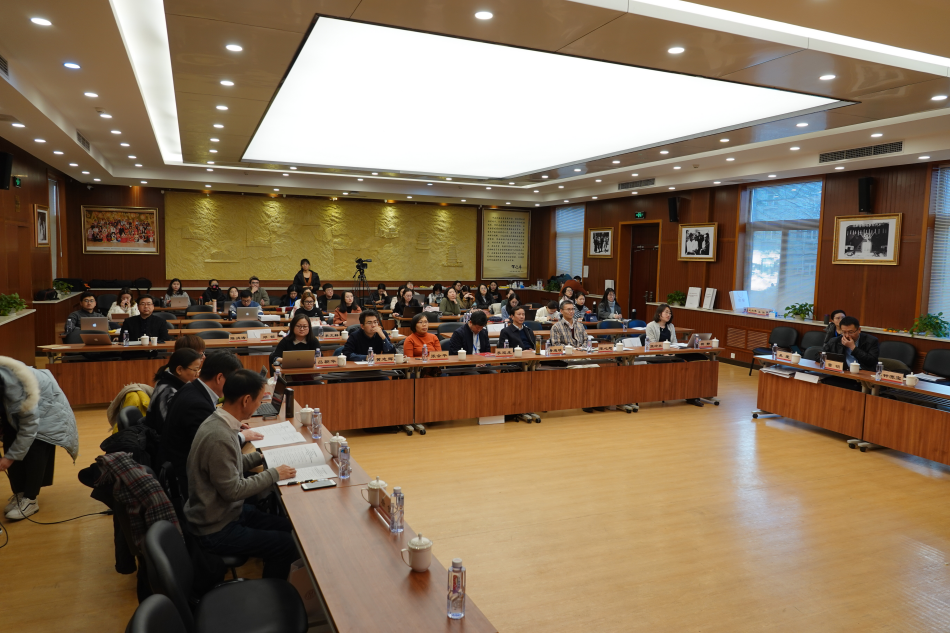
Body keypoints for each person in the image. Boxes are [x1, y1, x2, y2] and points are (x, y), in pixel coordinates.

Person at [184, 369, 298, 579]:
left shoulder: (220, 421)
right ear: (246, 400)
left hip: (226, 513)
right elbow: (233, 491)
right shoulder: (220, 437)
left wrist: (261, 457)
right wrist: (274, 473)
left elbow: (230, 466)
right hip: (215, 528)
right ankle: (272, 593)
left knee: (292, 526)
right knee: (286, 544)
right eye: (259, 400)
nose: (259, 405)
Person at [0, 356, 79, 520]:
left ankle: (30, 499)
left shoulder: (17, 387)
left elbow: (29, 427)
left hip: (46, 409)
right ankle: (20, 492)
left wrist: (9, 458)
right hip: (17, 403)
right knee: (10, 437)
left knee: (36, 445)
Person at [161, 352, 258, 482]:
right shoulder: (198, 405)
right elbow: (213, 445)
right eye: (234, 381)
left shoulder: (191, 388)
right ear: (219, 378)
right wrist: (242, 436)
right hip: (188, 477)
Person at [144, 348, 202, 434]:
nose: (197, 374)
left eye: (198, 370)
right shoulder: (167, 391)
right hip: (158, 439)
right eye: (195, 370)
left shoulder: (176, 383)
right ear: (179, 370)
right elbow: (169, 427)